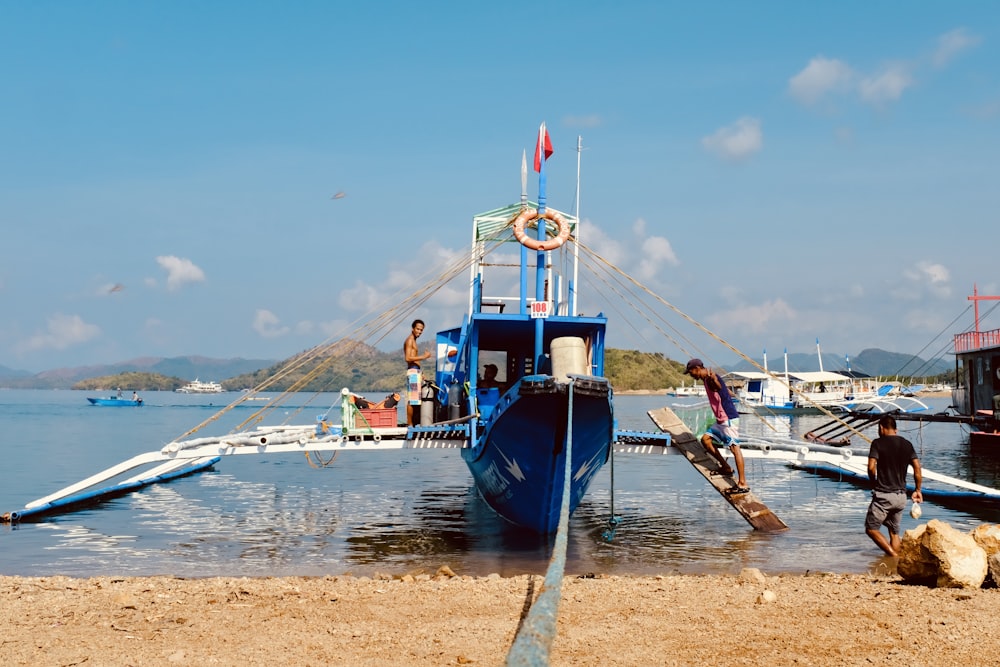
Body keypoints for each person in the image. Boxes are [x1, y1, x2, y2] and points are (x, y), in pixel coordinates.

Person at [684, 358, 749, 495]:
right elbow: (722, 390)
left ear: (697, 369)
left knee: (735, 449)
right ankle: (725, 467)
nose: (692, 376)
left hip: (728, 419)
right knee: (706, 439)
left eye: (691, 373)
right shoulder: (706, 379)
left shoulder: (710, 378)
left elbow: (717, 386)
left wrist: (714, 380)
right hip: (721, 420)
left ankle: (742, 484)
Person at [865, 414, 923, 557]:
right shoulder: (907, 444)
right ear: (895, 430)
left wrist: (873, 482)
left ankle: (893, 556)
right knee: (894, 532)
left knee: (871, 528)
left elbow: (871, 467)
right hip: (901, 496)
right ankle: (895, 566)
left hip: (884, 495)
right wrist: (918, 490)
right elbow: (917, 468)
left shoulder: (877, 443)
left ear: (881, 428)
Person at [404, 319, 432, 426]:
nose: (419, 332)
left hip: (416, 371)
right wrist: (424, 357)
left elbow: (414, 359)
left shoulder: (414, 341)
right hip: (412, 371)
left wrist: (421, 372)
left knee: (416, 400)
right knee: (412, 399)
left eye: (421, 330)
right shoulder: (410, 340)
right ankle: (410, 424)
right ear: (412, 328)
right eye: (418, 329)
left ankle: (414, 423)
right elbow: (408, 358)